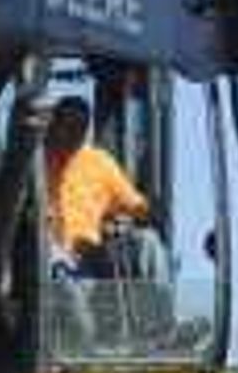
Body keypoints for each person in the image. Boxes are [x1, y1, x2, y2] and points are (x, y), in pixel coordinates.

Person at [39, 96, 155, 271]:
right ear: (52, 126)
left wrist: (128, 220)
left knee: (149, 242)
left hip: (89, 258)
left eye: (76, 132)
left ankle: (155, 295)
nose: (67, 139)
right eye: (63, 129)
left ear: (84, 133)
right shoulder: (33, 161)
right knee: (50, 257)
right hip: (43, 255)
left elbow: (137, 207)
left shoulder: (99, 162)